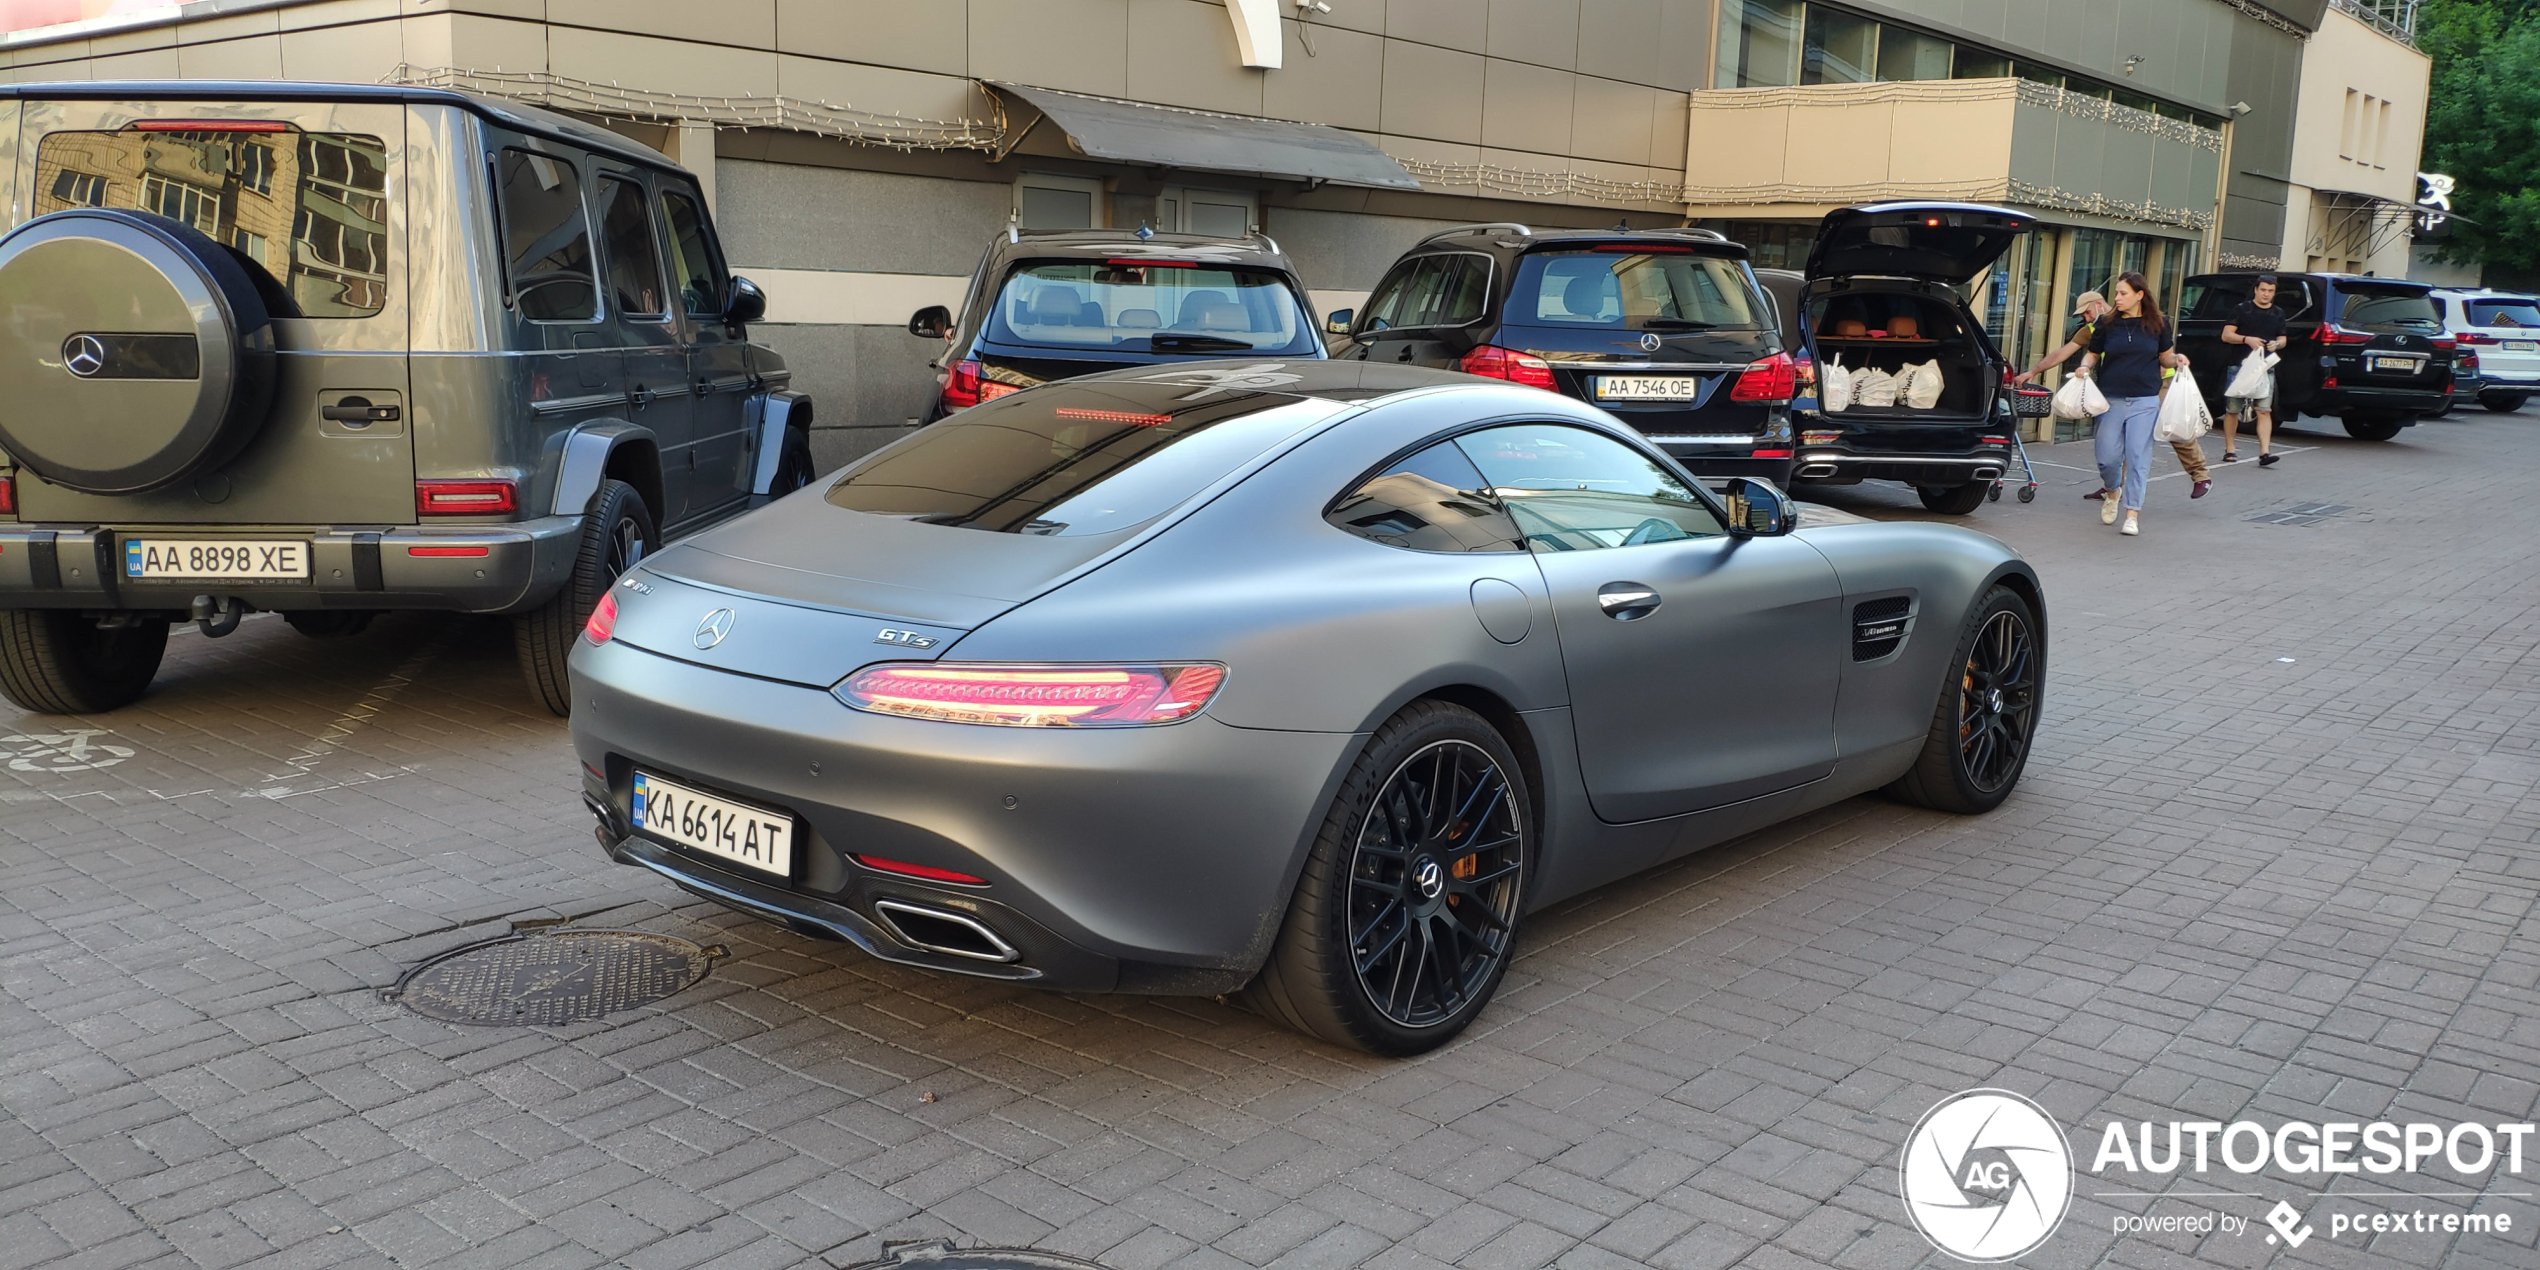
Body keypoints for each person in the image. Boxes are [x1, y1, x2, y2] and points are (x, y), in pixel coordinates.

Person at [2020, 289, 2211, 499]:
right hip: (2122, 389)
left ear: (2098, 305)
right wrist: (2033, 372)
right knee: (2122, 436)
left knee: (2172, 427)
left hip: (2158, 382)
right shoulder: (2096, 328)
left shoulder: (2144, 322)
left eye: (2087, 313)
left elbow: (2163, 354)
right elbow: (2062, 353)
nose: (2086, 318)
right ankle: (2113, 486)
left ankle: (2200, 475)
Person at [2081, 272, 2186, 537]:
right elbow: (2093, 353)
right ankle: (2112, 491)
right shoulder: (2106, 324)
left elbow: (2165, 358)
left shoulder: (2158, 324)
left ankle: (2132, 514)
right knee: (2107, 458)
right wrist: (2084, 366)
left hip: (2145, 400)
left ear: (2139, 295)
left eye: (2123, 293)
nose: (2116, 298)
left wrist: (2179, 360)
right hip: (2111, 399)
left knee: (2138, 457)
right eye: (2116, 293)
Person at [2218, 274, 2289, 466]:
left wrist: (2277, 344)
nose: (2266, 294)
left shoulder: (2278, 313)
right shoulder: (2242, 309)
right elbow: (2226, 335)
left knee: (2264, 410)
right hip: (2239, 366)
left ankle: (2265, 452)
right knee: (2232, 409)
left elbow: (2283, 338)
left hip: (2265, 367)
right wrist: (2246, 339)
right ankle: (2230, 449)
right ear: (2256, 290)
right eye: (2263, 290)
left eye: (2270, 291)